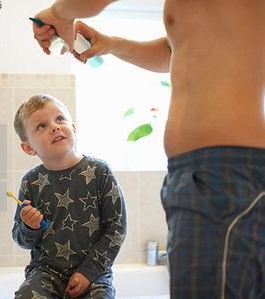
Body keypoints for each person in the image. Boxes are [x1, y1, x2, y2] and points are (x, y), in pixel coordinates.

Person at [31, 1, 265, 298]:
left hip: (221, 171)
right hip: (210, 169)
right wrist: (111, 45)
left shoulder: (96, 171)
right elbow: (175, 50)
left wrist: (58, 14)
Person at [12, 94, 127, 298]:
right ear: (28, 147)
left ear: (72, 128)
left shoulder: (99, 172)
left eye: (59, 119)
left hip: (94, 274)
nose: (55, 127)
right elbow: (22, 240)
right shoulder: (31, 182)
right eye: (41, 126)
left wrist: (88, 272)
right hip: (46, 272)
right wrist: (29, 226)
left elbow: (116, 229)